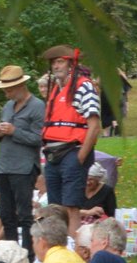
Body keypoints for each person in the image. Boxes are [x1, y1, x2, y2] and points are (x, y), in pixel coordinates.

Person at [0, 61, 47, 249]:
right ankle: (11, 250)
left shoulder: (37, 106)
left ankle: (29, 252)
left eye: (9, 90)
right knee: (5, 214)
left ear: (21, 85)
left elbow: (39, 138)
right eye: (5, 90)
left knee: (24, 214)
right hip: (4, 166)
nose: (7, 94)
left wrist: (14, 131)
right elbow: (1, 137)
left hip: (24, 168)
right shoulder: (7, 106)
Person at [40, 44, 105, 209]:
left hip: (72, 151)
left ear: (71, 64)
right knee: (54, 207)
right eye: (53, 62)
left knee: (71, 207)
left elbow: (94, 126)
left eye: (60, 62)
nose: (56, 66)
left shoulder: (84, 87)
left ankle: (72, 228)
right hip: (53, 155)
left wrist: (80, 158)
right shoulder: (55, 90)